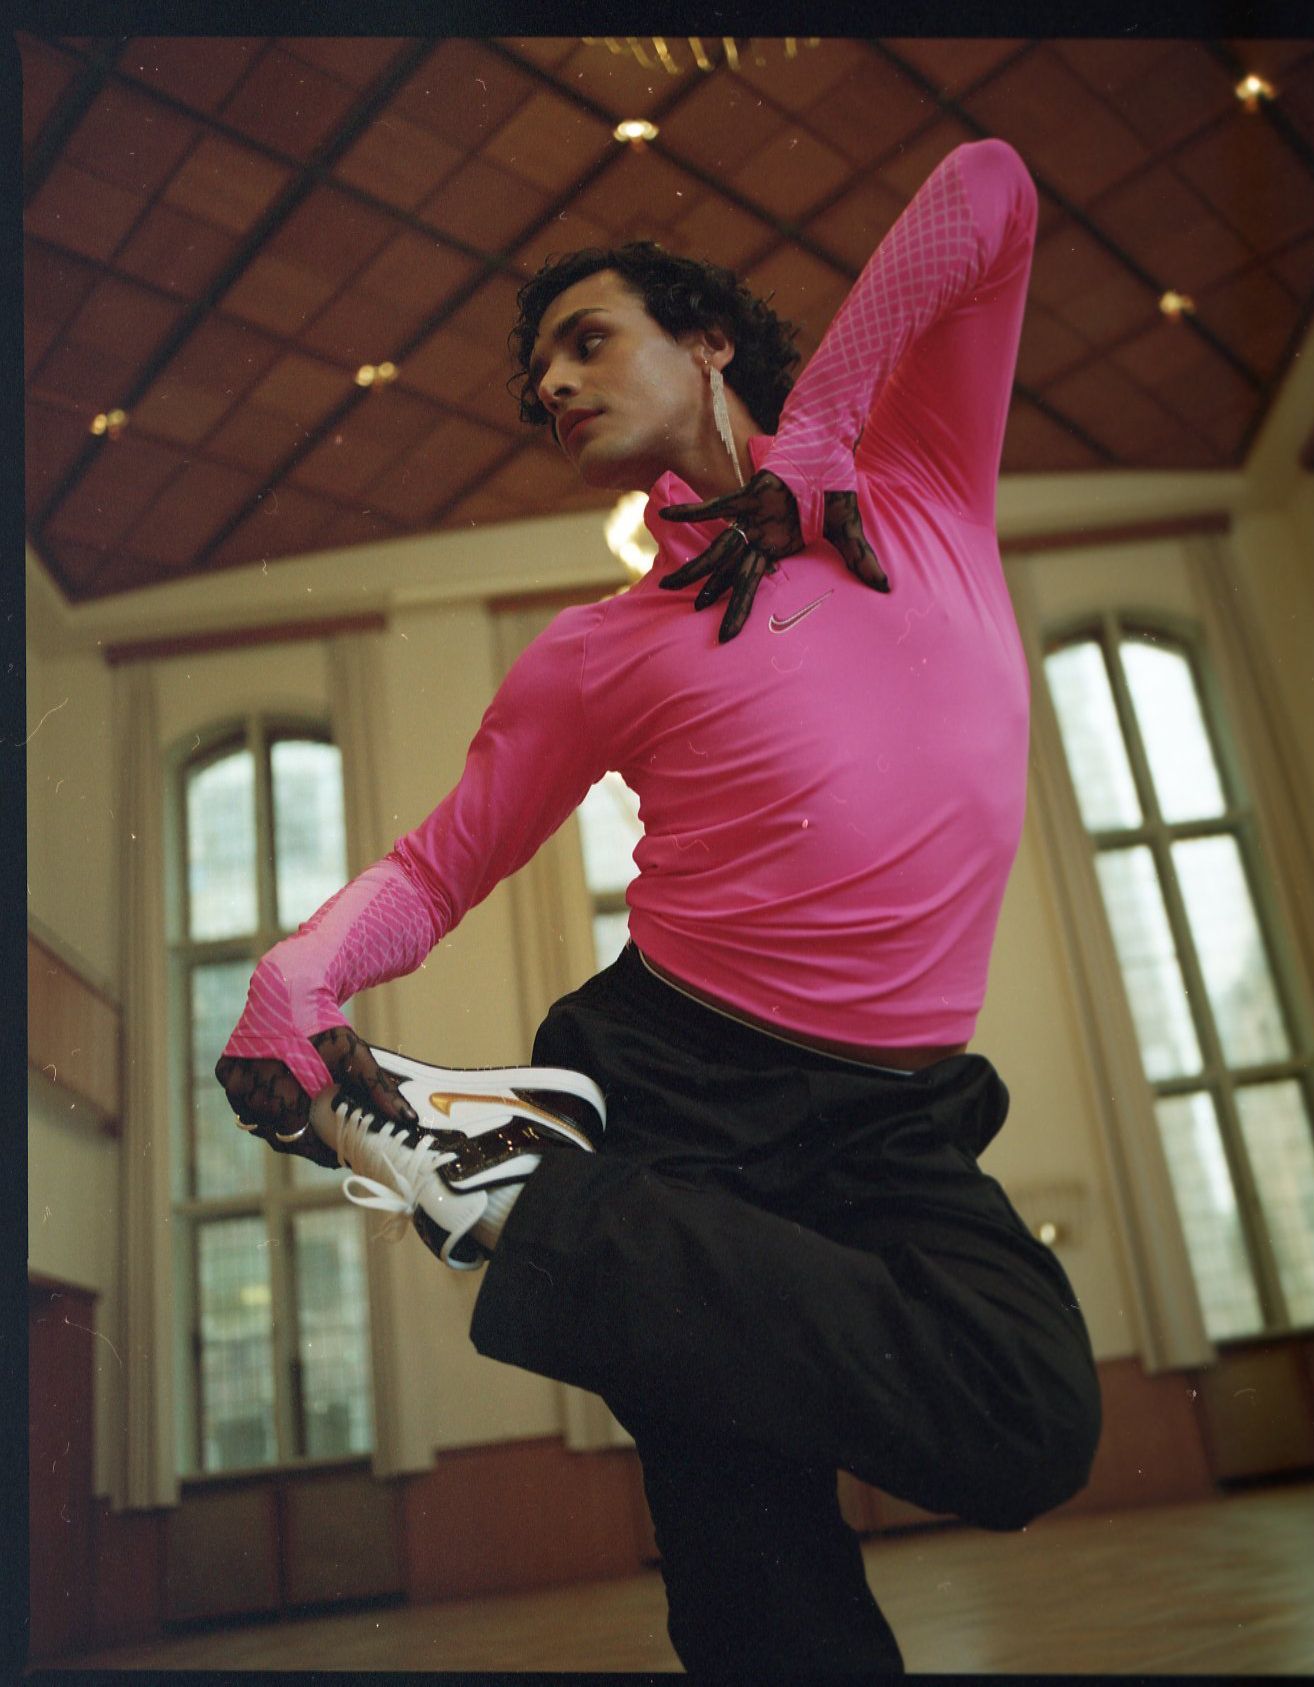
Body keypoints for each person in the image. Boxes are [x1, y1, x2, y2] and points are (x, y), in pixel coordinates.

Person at [217, 136, 1102, 1675]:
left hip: (891, 1109)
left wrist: (821, 430)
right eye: (536, 374)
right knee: (755, 1594)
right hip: (676, 1090)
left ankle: (513, 1195)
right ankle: (506, 1185)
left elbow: (996, 186)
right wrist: (295, 981)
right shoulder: (599, 649)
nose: (552, 385)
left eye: (587, 339)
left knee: (1027, 1415)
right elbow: (438, 865)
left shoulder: (917, 487)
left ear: (706, 339)